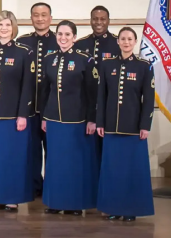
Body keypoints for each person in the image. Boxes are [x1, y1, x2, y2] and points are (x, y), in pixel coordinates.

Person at [40, 20, 99, 215]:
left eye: (67, 35)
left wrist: (91, 119)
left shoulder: (85, 60)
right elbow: (45, 91)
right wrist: (44, 117)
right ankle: (55, 202)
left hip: (78, 121)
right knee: (55, 163)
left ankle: (74, 204)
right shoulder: (49, 59)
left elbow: (93, 93)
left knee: (75, 164)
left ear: (74, 37)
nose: (63, 38)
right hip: (54, 120)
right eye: (60, 34)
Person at [96, 27, 155, 222]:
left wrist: (145, 125)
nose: (126, 42)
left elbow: (148, 99)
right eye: (123, 39)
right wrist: (100, 122)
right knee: (113, 170)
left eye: (130, 39)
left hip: (134, 129)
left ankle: (131, 209)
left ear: (135, 41)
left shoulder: (144, 66)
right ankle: (114, 208)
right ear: (118, 42)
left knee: (132, 171)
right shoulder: (107, 65)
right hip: (111, 127)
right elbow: (102, 96)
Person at [0, 11, 34, 212]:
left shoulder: (23, 52)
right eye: (0, 24)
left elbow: (28, 85)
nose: (4, 28)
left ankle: (12, 198)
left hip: (14, 117)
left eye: (7, 25)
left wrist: (22, 115)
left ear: (13, 28)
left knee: (13, 158)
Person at [17, 2, 58, 196]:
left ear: (50, 18)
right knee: (31, 150)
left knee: (53, 149)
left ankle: (52, 186)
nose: (40, 18)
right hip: (30, 107)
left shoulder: (60, 41)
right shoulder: (22, 42)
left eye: (44, 15)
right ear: (31, 18)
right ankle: (34, 186)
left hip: (52, 107)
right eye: (36, 15)